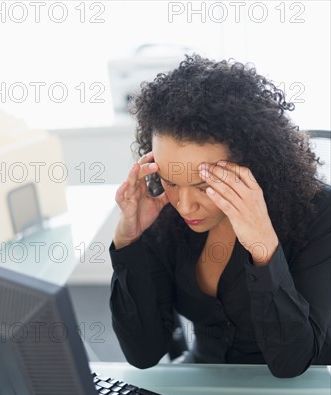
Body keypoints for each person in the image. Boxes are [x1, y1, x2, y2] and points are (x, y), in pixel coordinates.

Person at [109, 55, 331, 378]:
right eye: (171, 181)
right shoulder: (164, 213)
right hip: (206, 389)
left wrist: (263, 248)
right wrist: (129, 240)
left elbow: (292, 362)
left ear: (249, 164)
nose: (185, 205)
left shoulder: (318, 215)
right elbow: (143, 353)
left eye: (203, 186)